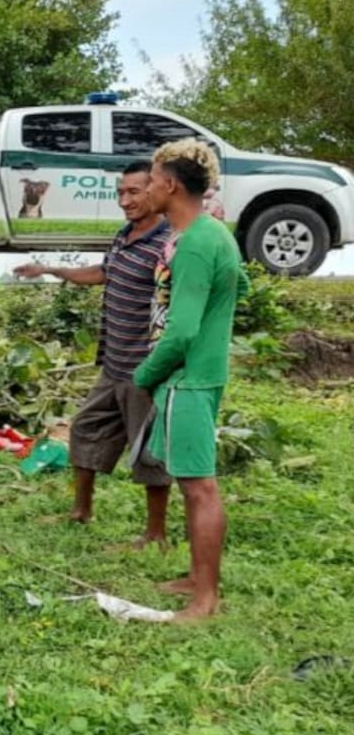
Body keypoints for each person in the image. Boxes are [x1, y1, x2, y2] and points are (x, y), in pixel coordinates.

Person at [14, 161, 173, 547]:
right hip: (113, 363)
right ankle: (81, 510)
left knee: (149, 450)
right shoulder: (126, 234)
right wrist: (51, 269)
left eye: (134, 192)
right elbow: (105, 272)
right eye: (120, 192)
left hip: (144, 368)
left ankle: (156, 534)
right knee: (86, 427)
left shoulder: (168, 243)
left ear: (156, 191)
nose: (125, 200)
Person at [132, 139, 247, 621]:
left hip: (187, 378)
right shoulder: (210, 233)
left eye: (153, 181)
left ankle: (205, 599)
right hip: (197, 373)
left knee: (200, 487)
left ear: (171, 184)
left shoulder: (197, 243)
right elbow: (238, 286)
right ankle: (197, 578)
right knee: (187, 479)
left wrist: (146, 374)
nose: (148, 189)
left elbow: (181, 330)